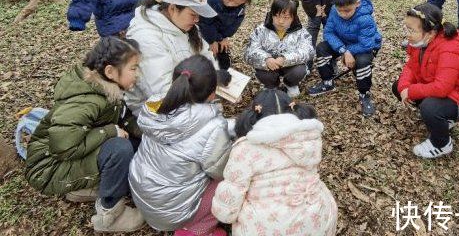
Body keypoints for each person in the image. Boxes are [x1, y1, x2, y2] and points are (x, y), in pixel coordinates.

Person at [25, 37, 145, 233]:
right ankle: (110, 215)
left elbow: (122, 118)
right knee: (120, 149)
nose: (137, 74)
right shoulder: (86, 101)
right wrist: (109, 131)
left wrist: (147, 131)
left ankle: (84, 189)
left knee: (130, 142)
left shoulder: (105, 88)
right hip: (48, 168)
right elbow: (64, 148)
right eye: (133, 68)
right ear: (110, 71)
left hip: (69, 155)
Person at [129, 55, 232, 236]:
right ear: (212, 93)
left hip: (146, 197)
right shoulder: (212, 127)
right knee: (232, 180)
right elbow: (221, 171)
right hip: (174, 213)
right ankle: (196, 229)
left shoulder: (157, 105)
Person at [211, 89, 337, 235]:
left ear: (253, 115)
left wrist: (224, 214)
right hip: (317, 217)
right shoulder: (309, 137)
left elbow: (227, 207)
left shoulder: (245, 148)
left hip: (268, 225)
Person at [393, 3, 459, 158]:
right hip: (446, 90)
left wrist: (412, 91)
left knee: (430, 107)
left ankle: (441, 143)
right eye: (406, 28)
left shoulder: (450, 48)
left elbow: (442, 87)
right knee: (398, 86)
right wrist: (404, 88)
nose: (407, 34)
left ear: (431, 32)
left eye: (412, 30)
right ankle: (441, 120)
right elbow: (410, 68)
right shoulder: (419, 43)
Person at [124, 0, 218, 115]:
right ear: (172, 8)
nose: (197, 20)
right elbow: (161, 90)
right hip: (155, 109)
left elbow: (206, 56)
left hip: (189, 95)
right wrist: (204, 91)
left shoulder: (185, 26)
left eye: (199, 15)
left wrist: (215, 79)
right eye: (193, 14)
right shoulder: (147, 38)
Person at [308, 0, 382, 117]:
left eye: (347, 10)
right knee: (322, 48)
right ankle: (327, 82)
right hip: (344, 44)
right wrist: (344, 50)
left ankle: (364, 94)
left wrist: (349, 51)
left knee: (363, 61)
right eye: (339, 10)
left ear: (357, 3)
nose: (343, 14)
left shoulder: (365, 18)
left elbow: (366, 44)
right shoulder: (334, 12)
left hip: (365, 46)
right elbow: (328, 33)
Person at [244, 0, 315, 98]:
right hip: (270, 67)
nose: (281, 21)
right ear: (271, 14)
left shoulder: (301, 32)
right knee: (263, 72)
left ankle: (291, 84)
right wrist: (266, 59)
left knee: (299, 70)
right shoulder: (261, 30)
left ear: (293, 17)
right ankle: (271, 86)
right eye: (277, 16)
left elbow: (308, 51)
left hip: (290, 66)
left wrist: (285, 59)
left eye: (286, 17)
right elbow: (249, 52)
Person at [197, 0, 257, 70]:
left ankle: (223, 66)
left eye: (237, 3)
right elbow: (205, 22)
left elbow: (234, 22)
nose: (231, 4)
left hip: (219, 29)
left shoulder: (239, 6)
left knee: (222, 55)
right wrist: (212, 40)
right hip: (202, 28)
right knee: (207, 53)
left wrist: (224, 37)